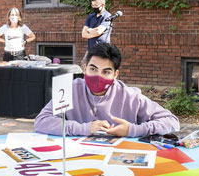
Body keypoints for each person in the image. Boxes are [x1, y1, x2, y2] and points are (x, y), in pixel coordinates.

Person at [34, 43, 179, 137]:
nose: (98, 76)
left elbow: (172, 121)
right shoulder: (69, 89)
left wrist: (132, 130)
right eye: (93, 69)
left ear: (116, 74)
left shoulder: (131, 96)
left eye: (106, 72)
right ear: (84, 68)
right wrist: (84, 128)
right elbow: (41, 121)